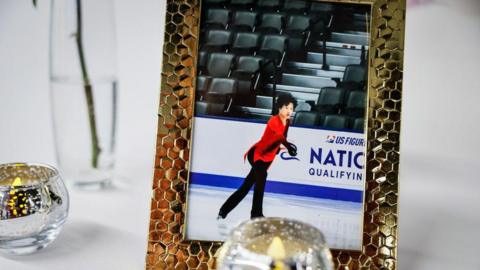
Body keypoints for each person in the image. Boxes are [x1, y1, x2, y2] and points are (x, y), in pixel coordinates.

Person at [218, 94, 298, 219]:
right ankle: (256, 214)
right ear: (279, 107)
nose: (289, 111)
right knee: (262, 176)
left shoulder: (287, 122)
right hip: (257, 154)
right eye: (286, 107)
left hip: (267, 158)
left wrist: (280, 148)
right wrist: (287, 146)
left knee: (246, 186)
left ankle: (224, 210)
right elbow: (279, 136)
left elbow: (283, 137)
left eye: (291, 109)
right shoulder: (273, 120)